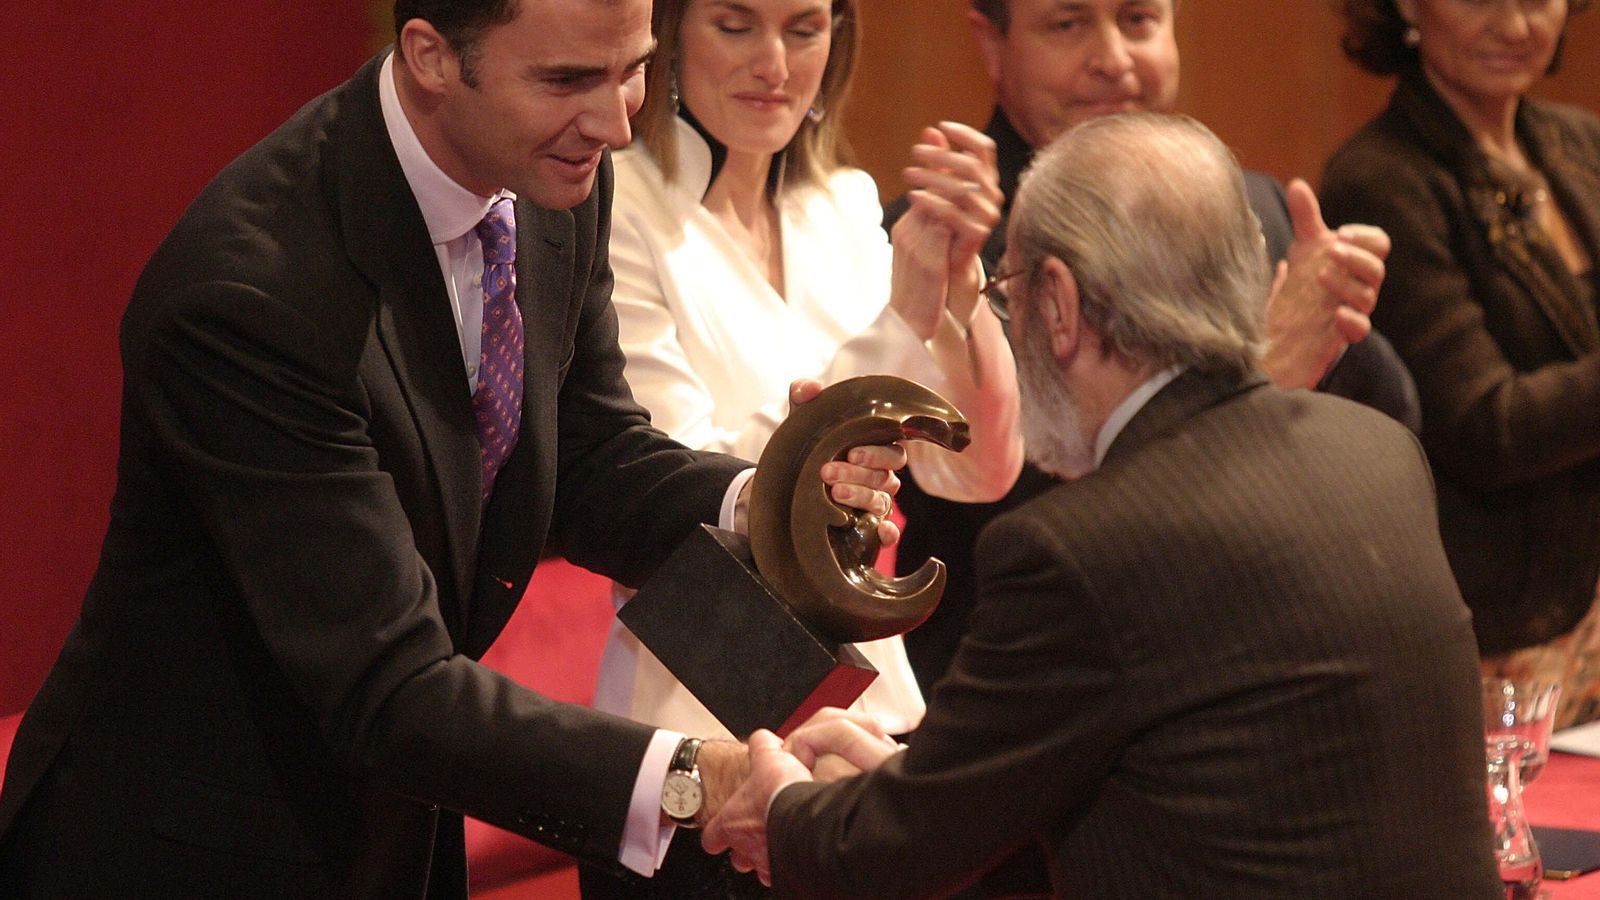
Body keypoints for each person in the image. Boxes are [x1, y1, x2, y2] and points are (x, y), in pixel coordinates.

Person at [0, 1, 906, 896]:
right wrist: (702, 782)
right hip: (193, 847)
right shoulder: (251, 296)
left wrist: (768, 499)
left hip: (397, 811)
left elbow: (585, 455)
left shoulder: (556, 171)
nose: (618, 123)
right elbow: (388, 686)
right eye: (566, 80)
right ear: (431, 56)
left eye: (633, 67)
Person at [703, 111, 1501, 900]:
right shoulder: (1379, 452)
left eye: (1007, 291)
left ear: (1058, 302)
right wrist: (918, 788)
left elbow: (881, 858)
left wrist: (782, 807)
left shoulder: (1082, 548)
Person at [582, 0, 1022, 894]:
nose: (774, 64)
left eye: (805, 28)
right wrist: (901, 320)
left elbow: (977, 469)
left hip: (867, 716)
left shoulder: (844, 205)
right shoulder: (612, 201)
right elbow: (684, 482)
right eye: (736, 26)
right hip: (699, 735)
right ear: (668, 33)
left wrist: (959, 287)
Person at [886, 0, 1419, 705]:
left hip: (1260, 681)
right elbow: (1007, 523)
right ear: (991, 44)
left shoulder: (1247, 211)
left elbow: (1391, 439)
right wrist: (1258, 377)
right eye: (1067, 25)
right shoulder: (930, 246)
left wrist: (1347, 308)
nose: (1113, 58)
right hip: (1027, 701)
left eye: (1139, 19)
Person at [1322, 0, 1600, 729]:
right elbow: (1487, 425)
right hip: (1500, 626)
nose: (1514, 26)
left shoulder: (1578, 143)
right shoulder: (1378, 178)